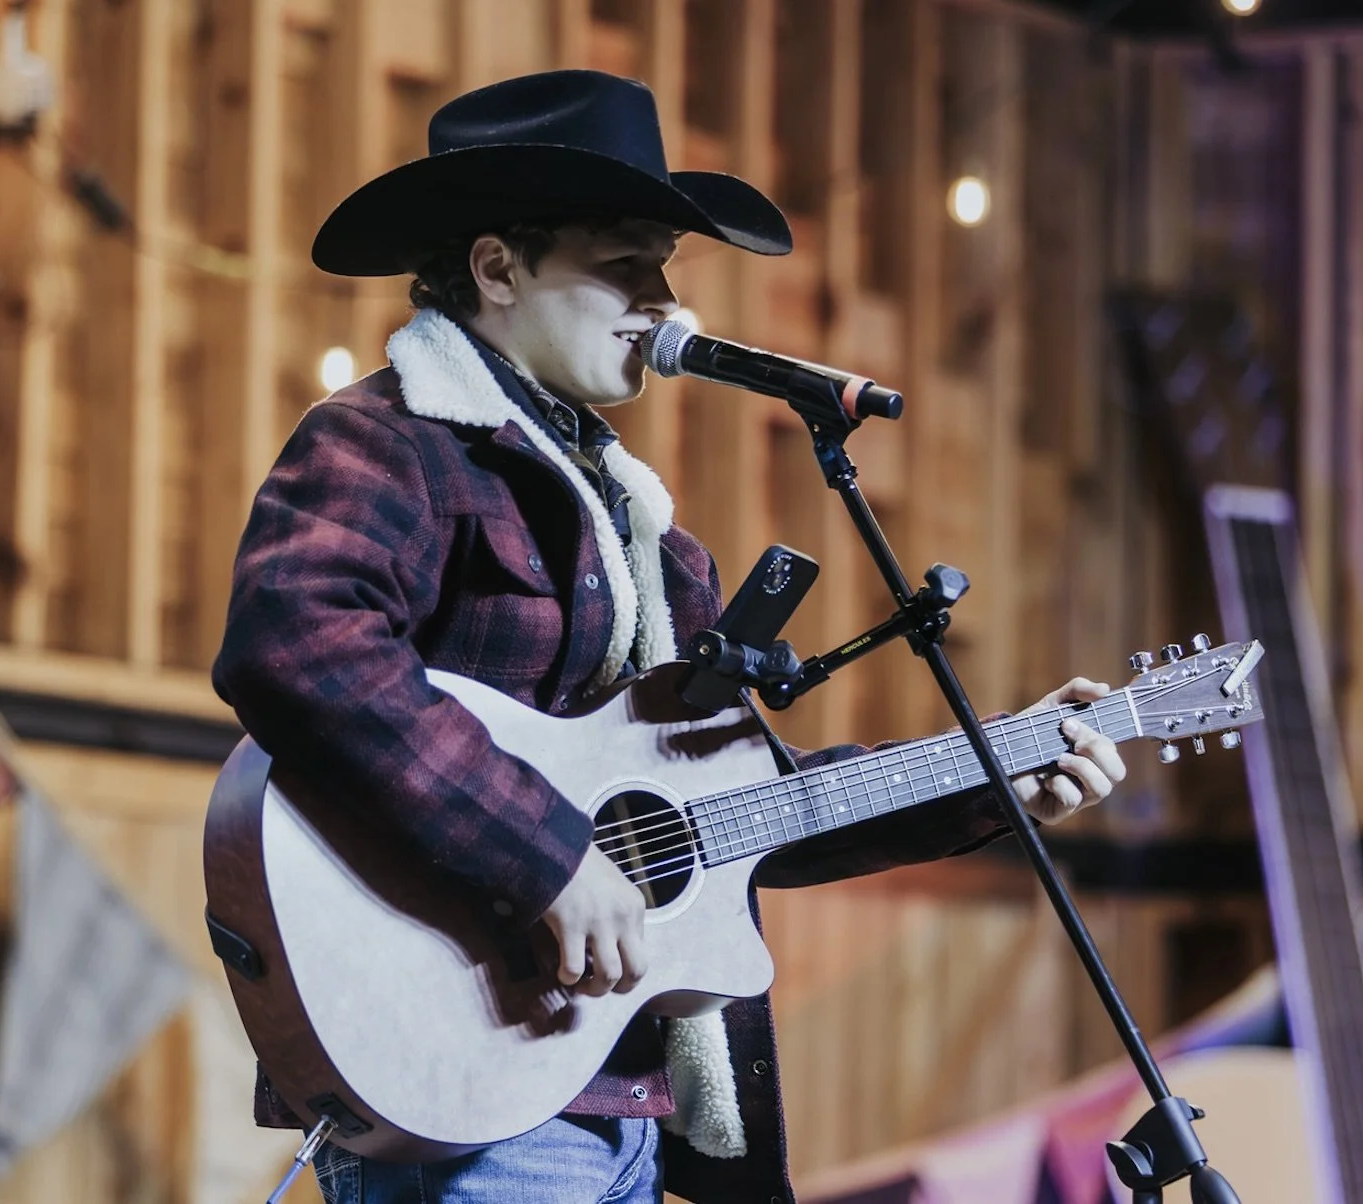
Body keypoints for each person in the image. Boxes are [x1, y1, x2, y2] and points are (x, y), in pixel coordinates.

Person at [211, 69, 1126, 1204]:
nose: (664, 302)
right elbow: (297, 643)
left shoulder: (655, 546)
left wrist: (992, 777)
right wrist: (546, 854)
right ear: (497, 269)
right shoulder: (390, 442)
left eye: (665, 268)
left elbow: (746, 810)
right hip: (468, 1103)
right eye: (624, 264)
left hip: (630, 1106)